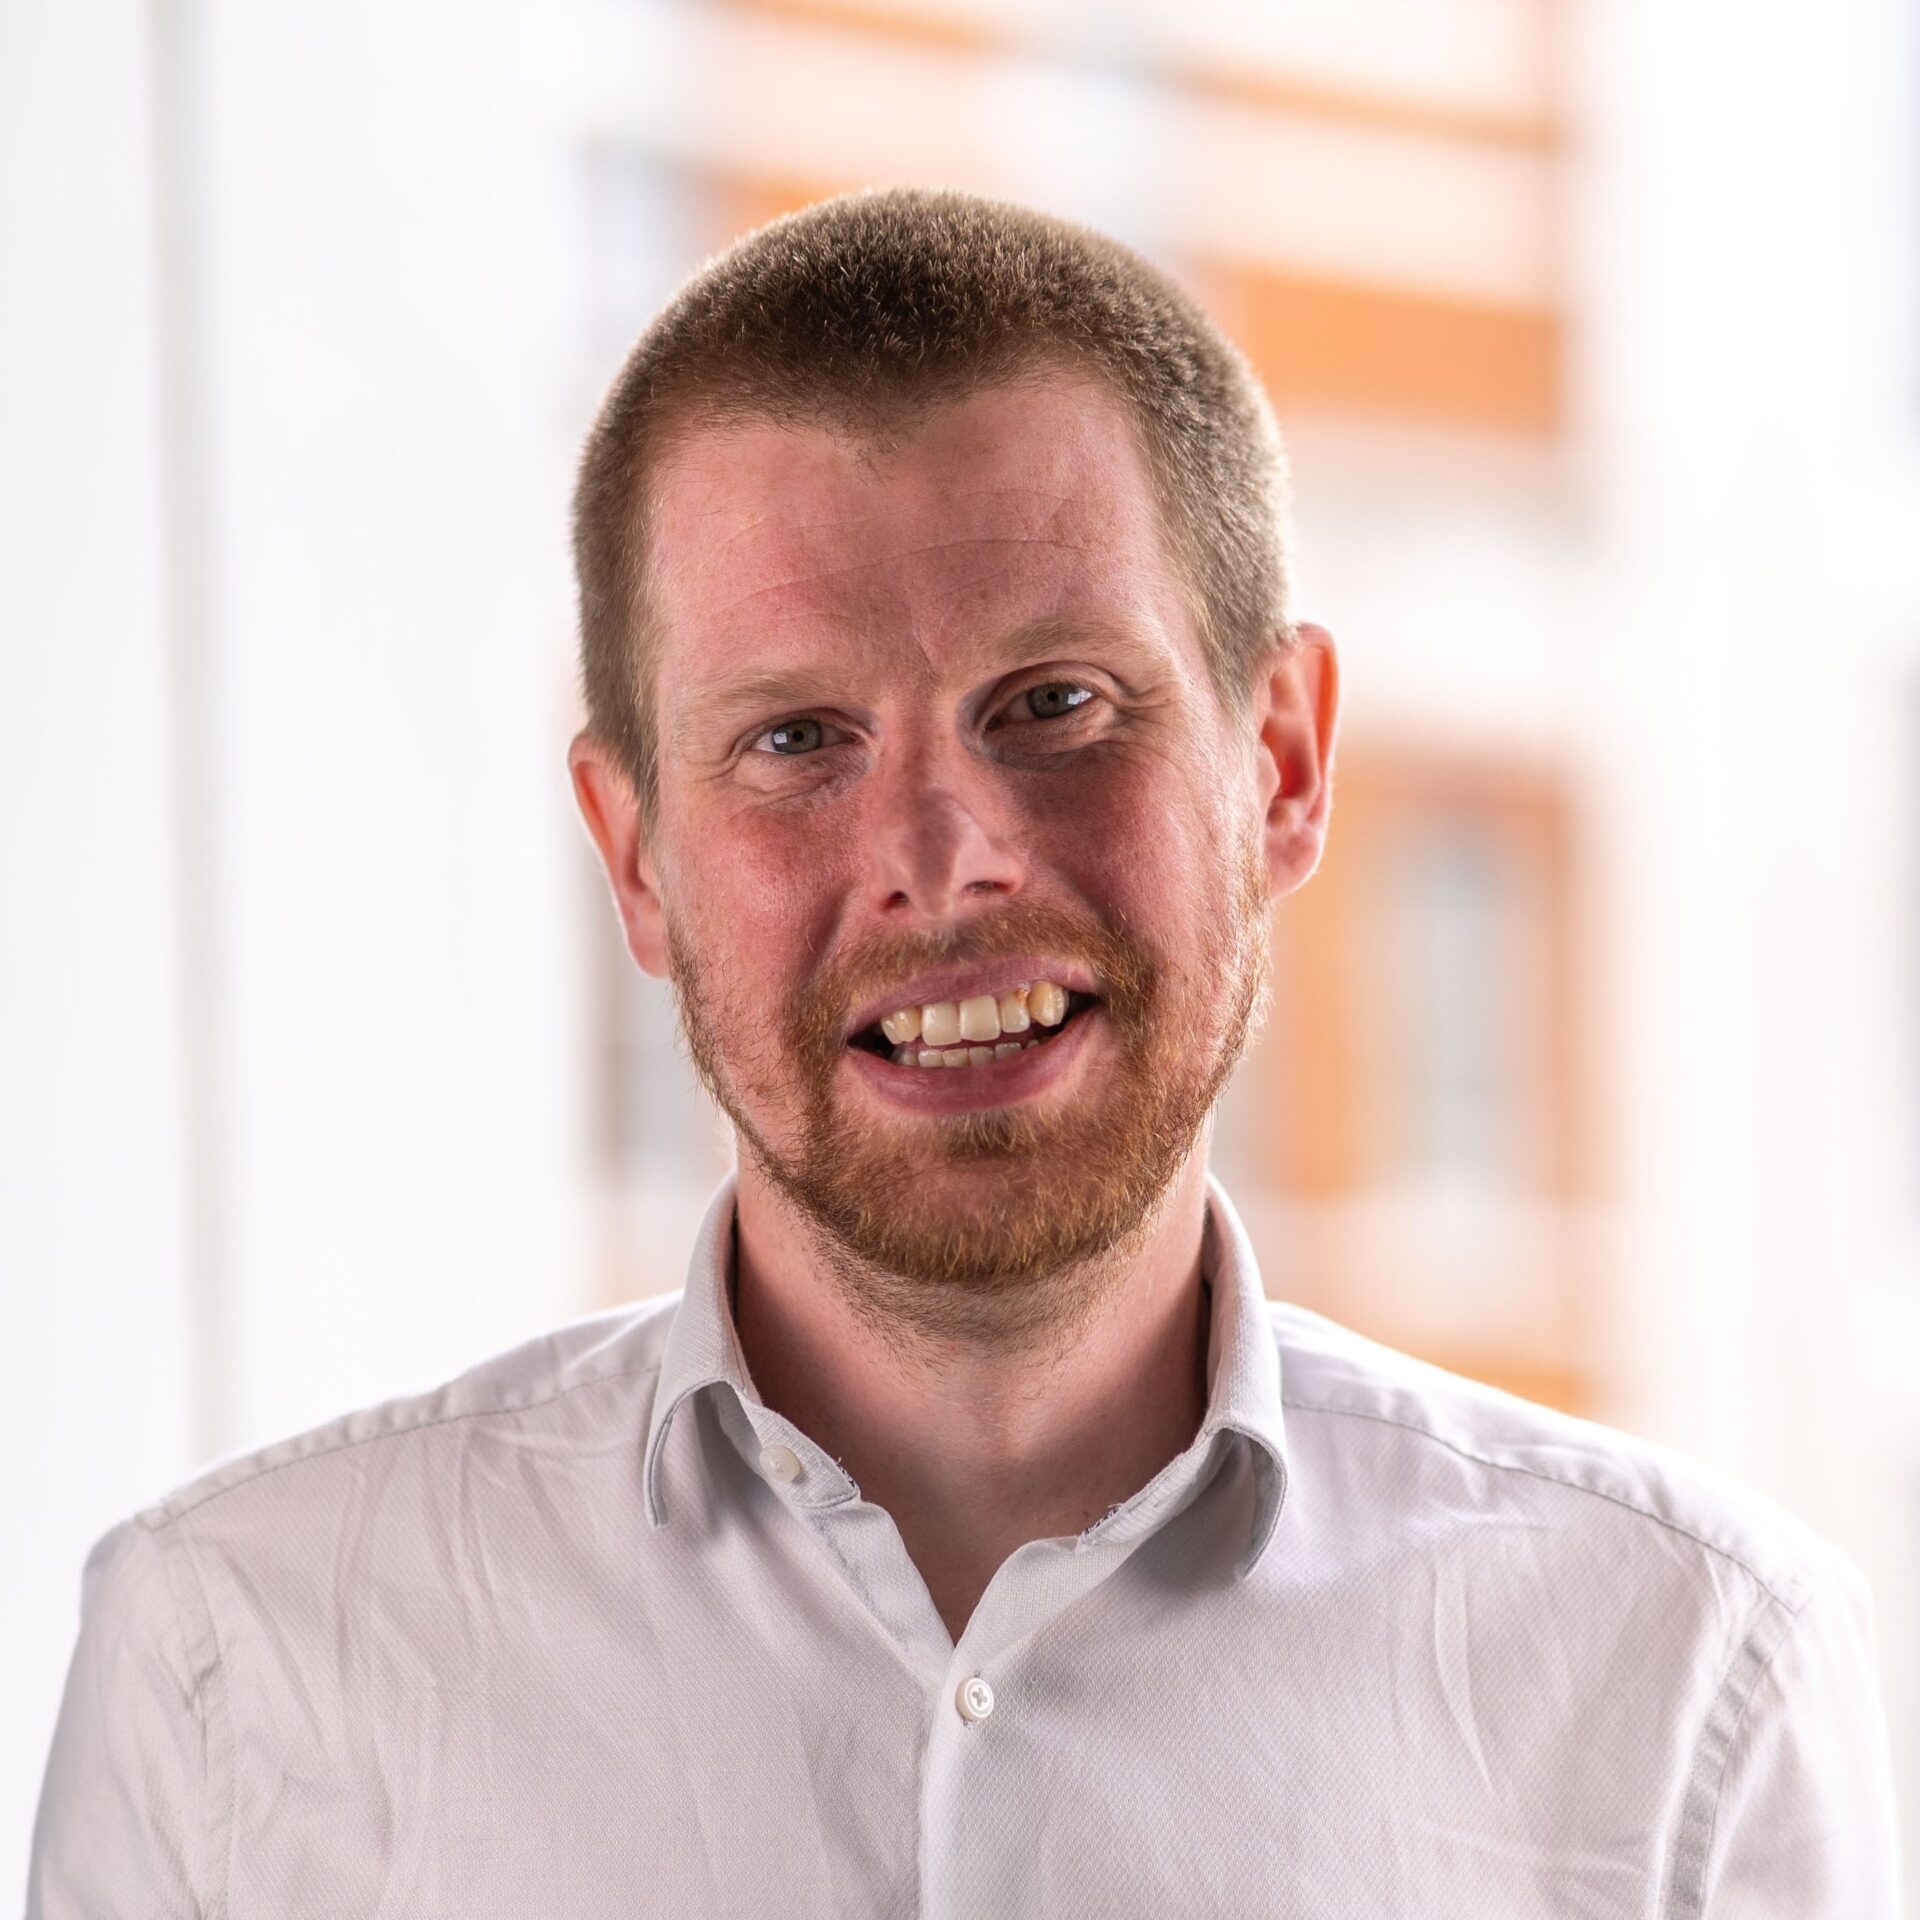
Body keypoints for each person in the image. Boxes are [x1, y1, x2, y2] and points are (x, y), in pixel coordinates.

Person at [28, 187, 1901, 1918]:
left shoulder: (1687, 1693)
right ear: (636, 859)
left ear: (1283, 763)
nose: (942, 859)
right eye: (794, 742)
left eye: (1057, 703)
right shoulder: (235, 1673)